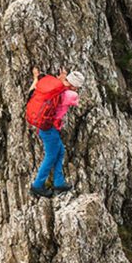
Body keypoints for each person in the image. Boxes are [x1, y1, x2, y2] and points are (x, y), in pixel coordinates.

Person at [27, 67, 85, 198]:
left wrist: (37, 77)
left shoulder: (55, 89)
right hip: (49, 129)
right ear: (75, 86)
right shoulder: (72, 95)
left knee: (60, 151)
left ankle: (58, 182)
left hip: (46, 127)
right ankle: (37, 186)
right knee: (51, 156)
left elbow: (36, 90)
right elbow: (77, 101)